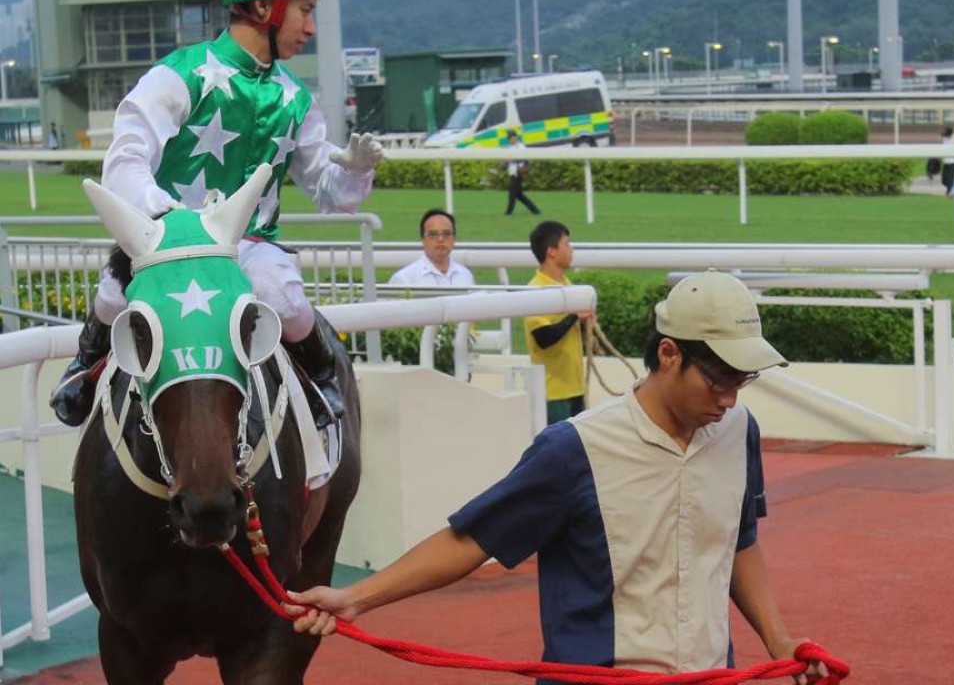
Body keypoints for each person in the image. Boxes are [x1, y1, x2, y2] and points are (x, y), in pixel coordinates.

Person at [286, 270, 828, 685]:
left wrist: (779, 640)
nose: (730, 398)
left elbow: (739, 539)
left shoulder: (738, 431)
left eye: (744, 380)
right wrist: (356, 597)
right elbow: (471, 539)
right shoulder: (574, 450)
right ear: (669, 353)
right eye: (718, 380)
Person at [48, 0, 384, 429]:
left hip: (247, 245)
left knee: (281, 294)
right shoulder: (178, 75)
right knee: (115, 292)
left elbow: (328, 191)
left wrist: (355, 172)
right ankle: (85, 366)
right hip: (169, 238)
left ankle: (322, 377)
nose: (311, 28)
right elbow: (125, 158)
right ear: (266, 8)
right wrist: (167, 220)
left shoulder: (294, 99)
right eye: (305, 10)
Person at [524, 220, 591, 423]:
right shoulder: (535, 290)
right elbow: (543, 337)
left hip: (576, 388)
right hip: (552, 394)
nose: (571, 249)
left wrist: (583, 321)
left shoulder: (568, 285)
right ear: (552, 251)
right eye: (567, 244)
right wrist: (573, 316)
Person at [388, 208, 475, 287]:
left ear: (454, 238)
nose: (440, 239)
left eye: (446, 234)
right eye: (433, 234)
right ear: (423, 239)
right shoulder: (404, 279)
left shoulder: (465, 275)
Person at [503, 129, 540, 216]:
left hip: (518, 172)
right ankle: (535, 211)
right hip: (512, 172)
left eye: (511, 138)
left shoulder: (521, 147)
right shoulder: (510, 148)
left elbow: (523, 158)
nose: (510, 140)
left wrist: (511, 160)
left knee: (512, 193)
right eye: (509, 138)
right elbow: (506, 160)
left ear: (515, 137)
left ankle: (508, 212)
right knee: (519, 195)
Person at [939, 126, 954, 194]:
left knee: (950, 179)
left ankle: (950, 192)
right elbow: (942, 134)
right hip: (945, 161)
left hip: (952, 162)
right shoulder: (944, 137)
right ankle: (951, 188)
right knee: (944, 180)